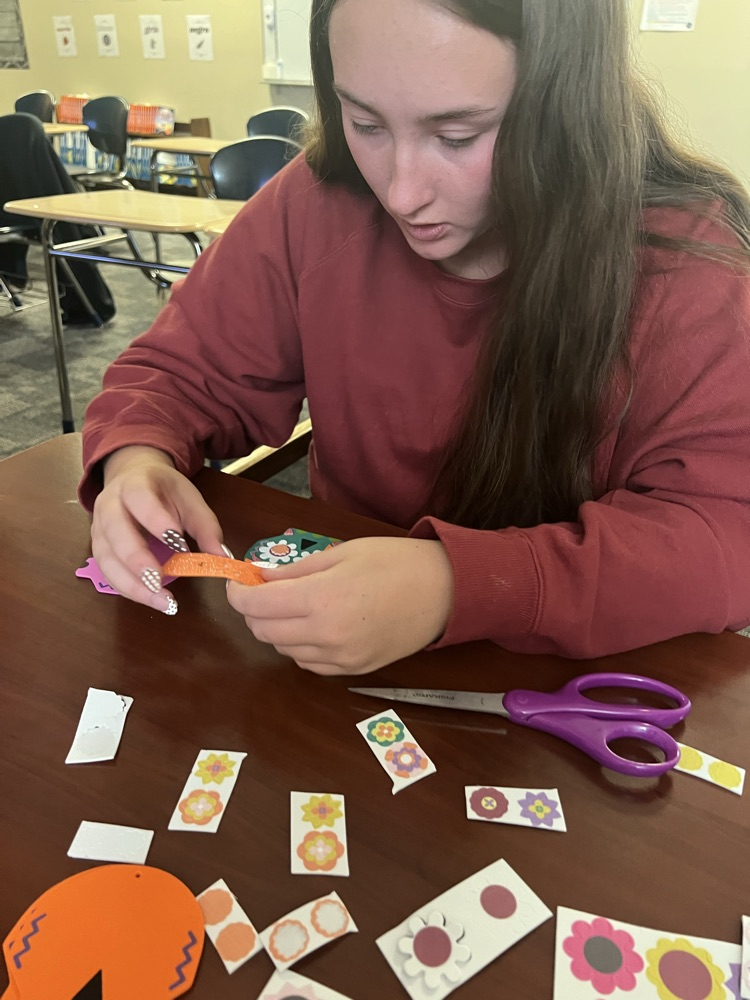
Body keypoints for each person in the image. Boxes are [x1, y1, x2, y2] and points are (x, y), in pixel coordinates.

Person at [79, 0, 750, 675]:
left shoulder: (691, 263)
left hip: (578, 685)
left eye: (457, 136)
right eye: (365, 122)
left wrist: (457, 584)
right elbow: (176, 373)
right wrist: (135, 461)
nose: (401, 194)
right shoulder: (314, 203)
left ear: (566, 105)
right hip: (331, 674)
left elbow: (725, 535)